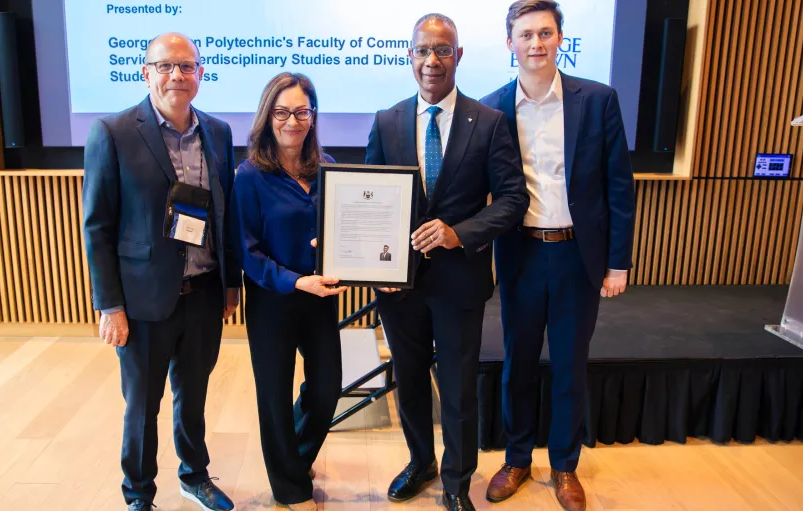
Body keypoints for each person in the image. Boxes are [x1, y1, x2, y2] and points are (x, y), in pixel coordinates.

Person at [365, 13, 529, 511]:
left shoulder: (490, 122)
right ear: (409, 56)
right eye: (421, 51)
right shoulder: (387, 120)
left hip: (460, 280)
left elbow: (512, 199)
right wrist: (376, 269)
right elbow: (370, 202)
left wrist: (460, 234)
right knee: (410, 380)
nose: (431, 60)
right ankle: (421, 463)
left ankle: (457, 483)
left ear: (458, 56)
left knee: (458, 389)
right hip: (400, 285)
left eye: (442, 50)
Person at [479, 2, 635, 510]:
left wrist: (618, 262)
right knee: (517, 364)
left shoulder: (597, 100)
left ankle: (565, 466)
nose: (536, 43)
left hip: (577, 256)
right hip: (521, 252)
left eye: (546, 32)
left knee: (570, 366)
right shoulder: (491, 108)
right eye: (525, 34)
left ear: (561, 37)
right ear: (509, 43)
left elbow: (618, 187)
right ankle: (517, 458)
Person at [82, 33, 240, 511]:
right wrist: (110, 305)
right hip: (143, 301)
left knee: (193, 397)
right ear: (145, 72)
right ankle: (139, 494)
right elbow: (97, 226)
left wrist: (230, 283)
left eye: (187, 66)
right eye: (166, 65)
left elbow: (225, 211)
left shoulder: (218, 132)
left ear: (200, 74)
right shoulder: (112, 132)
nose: (177, 75)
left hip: (204, 293)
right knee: (142, 407)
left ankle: (194, 476)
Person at [229, 72, 345, 511]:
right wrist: (294, 280)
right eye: (282, 112)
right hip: (272, 301)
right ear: (268, 116)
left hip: (319, 301)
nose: (292, 120)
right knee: (274, 397)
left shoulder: (329, 169)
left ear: (313, 116)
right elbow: (247, 250)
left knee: (326, 390)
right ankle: (291, 488)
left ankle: (293, 457)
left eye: (301, 111)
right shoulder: (250, 176)